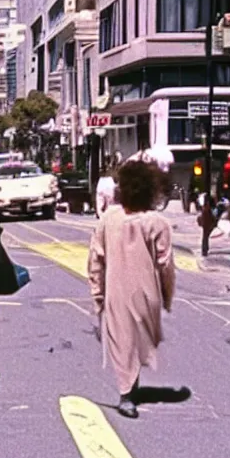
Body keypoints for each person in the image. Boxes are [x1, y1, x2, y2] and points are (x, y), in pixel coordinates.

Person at [88, 161, 175, 419]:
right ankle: (131, 387)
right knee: (137, 340)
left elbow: (96, 260)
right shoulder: (158, 223)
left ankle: (127, 393)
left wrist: (97, 295)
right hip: (147, 293)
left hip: (117, 291)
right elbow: (166, 265)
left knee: (122, 341)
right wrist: (167, 296)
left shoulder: (109, 220)